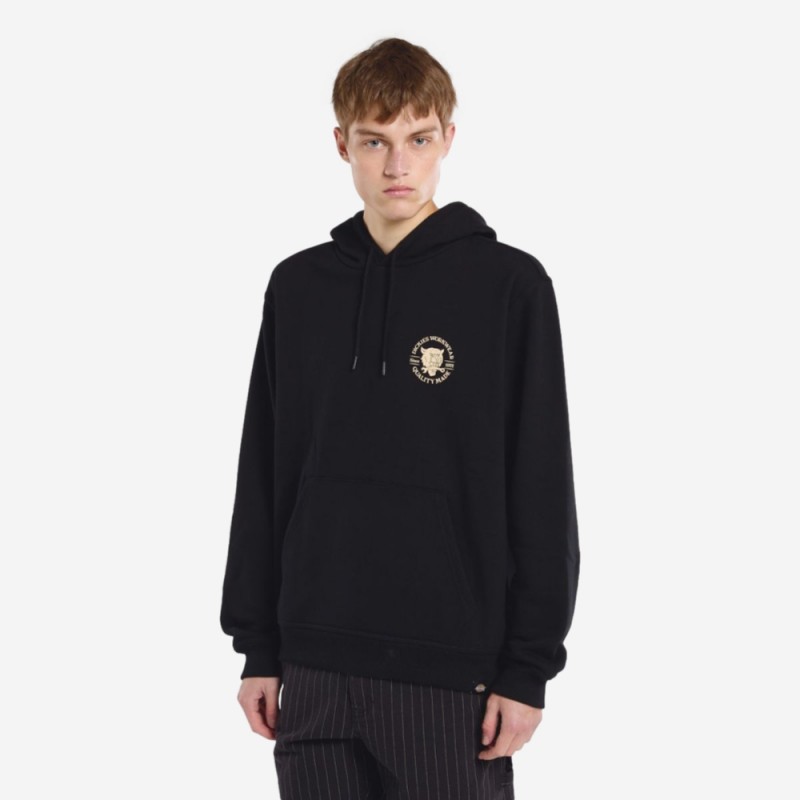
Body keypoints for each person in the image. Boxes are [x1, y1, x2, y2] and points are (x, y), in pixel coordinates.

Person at [220, 36, 581, 800]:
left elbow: (541, 486)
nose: (397, 166)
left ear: (448, 138)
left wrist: (527, 668)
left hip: (451, 676)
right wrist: (259, 647)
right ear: (340, 144)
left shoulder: (509, 288)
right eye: (374, 142)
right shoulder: (298, 288)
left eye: (417, 140)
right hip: (314, 668)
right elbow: (265, 474)